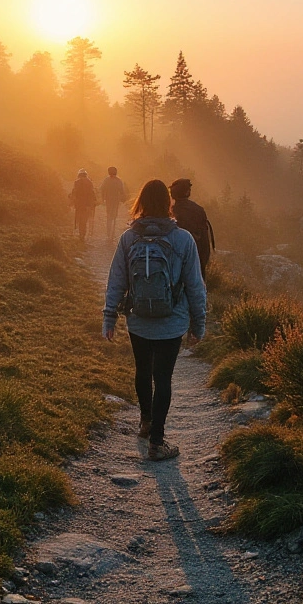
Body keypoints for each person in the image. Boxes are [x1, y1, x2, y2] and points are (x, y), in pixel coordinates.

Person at [103, 179, 207, 461]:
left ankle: (146, 422)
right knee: (163, 379)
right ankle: (157, 443)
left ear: (142, 202)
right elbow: (195, 285)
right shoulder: (183, 239)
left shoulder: (128, 238)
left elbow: (116, 281)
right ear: (168, 202)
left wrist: (109, 317)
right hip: (172, 322)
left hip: (138, 320)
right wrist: (198, 324)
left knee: (142, 370)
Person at [169, 178, 215, 276]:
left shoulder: (169, 212)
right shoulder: (199, 211)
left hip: (175, 265)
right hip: (196, 262)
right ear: (187, 192)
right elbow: (204, 244)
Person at [69, 169, 98, 241]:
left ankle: (80, 234)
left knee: (79, 219)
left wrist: (71, 201)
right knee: (84, 220)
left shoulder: (76, 182)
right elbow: (92, 193)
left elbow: (74, 193)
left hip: (79, 204)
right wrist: (93, 203)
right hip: (87, 205)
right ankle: (83, 235)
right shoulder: (89, 182)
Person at [100, 166, 127, 238]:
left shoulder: (106, 180)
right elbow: (122, 191)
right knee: (114, 216)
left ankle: (109, 232)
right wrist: (122, 199)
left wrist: (103, 199)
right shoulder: (118, 180)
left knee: (109, 216)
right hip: (115, 201)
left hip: (108, 200)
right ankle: (112, 232)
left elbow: (102, 189)